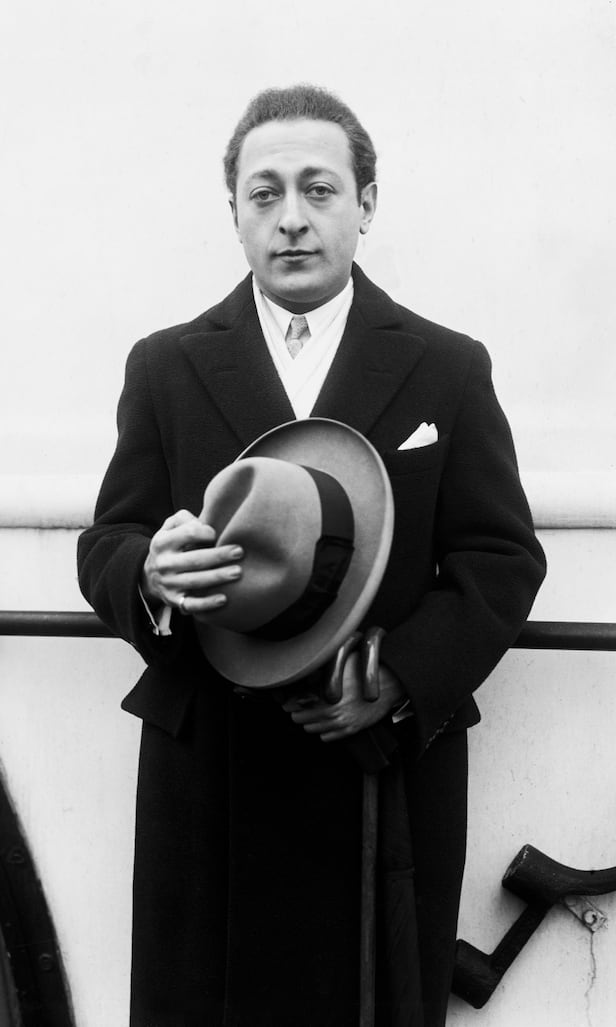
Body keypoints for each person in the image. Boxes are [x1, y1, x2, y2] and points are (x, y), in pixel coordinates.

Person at [77, 84, 546, 1027]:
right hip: (212, 770)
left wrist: (400, 678)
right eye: (265, 193)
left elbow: (500, 558)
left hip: (375, 773)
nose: (291, 217)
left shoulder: (447, 365)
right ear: (236, 213)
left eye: (319, 189)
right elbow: (110, 539)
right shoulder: (165, 364)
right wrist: (150, 574)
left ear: (365, 205)